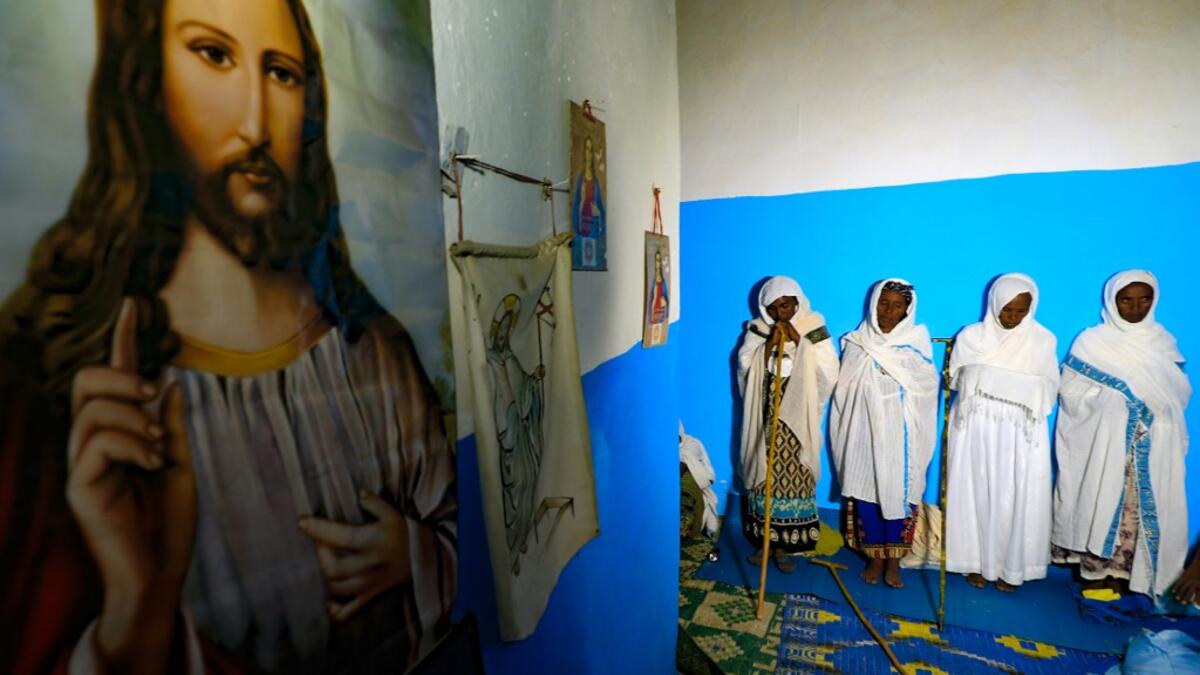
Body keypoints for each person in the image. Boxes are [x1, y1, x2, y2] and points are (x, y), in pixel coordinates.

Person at [0, 0, 455, 672]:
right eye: (212, 54)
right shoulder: (73, 389)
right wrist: (137, 616)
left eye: (281, 73)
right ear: (146, 78)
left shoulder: (371, 351)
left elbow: (452, 521)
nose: (255, 123)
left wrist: (419, 556)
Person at [1052, 270, 1191, 602]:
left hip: (1152, 445)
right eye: (1126, 300)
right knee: (1103, 498)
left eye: (1144, 299)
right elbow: (1070, 393)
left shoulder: (1163, 343)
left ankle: (1131, 575)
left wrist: (1153, 409)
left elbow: (1177, 394)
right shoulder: (1093, 342)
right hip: (1106, 443)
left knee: (1138, 509)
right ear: (1113, 301)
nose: (1135, 307)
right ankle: (1099, 574)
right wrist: (1113, 401)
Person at [944, 273, 1058, 592]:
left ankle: (1011, 567)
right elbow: (956, 379)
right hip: (978, 429)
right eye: (1007, 309)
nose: (1012, 317)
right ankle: (977, 562)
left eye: (1020, 310)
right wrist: (987, 380)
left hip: (1020, 434)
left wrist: (995, 381)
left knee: (1014, 496)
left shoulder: (1042, 340)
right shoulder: (972, 337)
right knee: (976, 492)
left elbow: (1049, 387)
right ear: (994, 303)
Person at [831, 279, 938, 589]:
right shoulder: (857, 342)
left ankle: (894, 561)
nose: (889, 311)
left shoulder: (916, 343)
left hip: (900, 437)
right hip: (864, 432)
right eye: (883, 303)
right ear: (873, 303)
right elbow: (844, 390)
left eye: (897, 305)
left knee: (898, 495)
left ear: (908, 309)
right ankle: (875, 558)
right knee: (868, 495)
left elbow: (926, 389)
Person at [737, 276, 838, 572]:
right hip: (766, 419)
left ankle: (785, 548)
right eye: (775, 307)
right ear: (766, 308)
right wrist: (767, 348)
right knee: (764, 476)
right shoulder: (757, 329)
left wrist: (798, 341)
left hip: (797, 422)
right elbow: (746, 365)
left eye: (786, 304)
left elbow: (829, 370)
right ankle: (766, 543)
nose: (782, 312)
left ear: (797, 301)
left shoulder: (813, 326)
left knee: (792, 479)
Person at [487, 295, 545, 576]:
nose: (504, 335)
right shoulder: (489, 362)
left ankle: (521, 537)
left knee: (530, 478)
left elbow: (524, 389)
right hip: (505, 433)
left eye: (508, 330)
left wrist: (534, 379)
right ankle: (511, 545)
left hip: (519, 431)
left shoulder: (509, 358)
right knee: (514, 485)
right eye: (502, 329)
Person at [570, 136, 606, 269]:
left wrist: (598, 215)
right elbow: (575, 207)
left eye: (591, 150)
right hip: (581, 224)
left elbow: (601, 210)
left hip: (593, 228)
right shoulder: (580, 179)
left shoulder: (596, 182)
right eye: (586, 149)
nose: (589, 154)